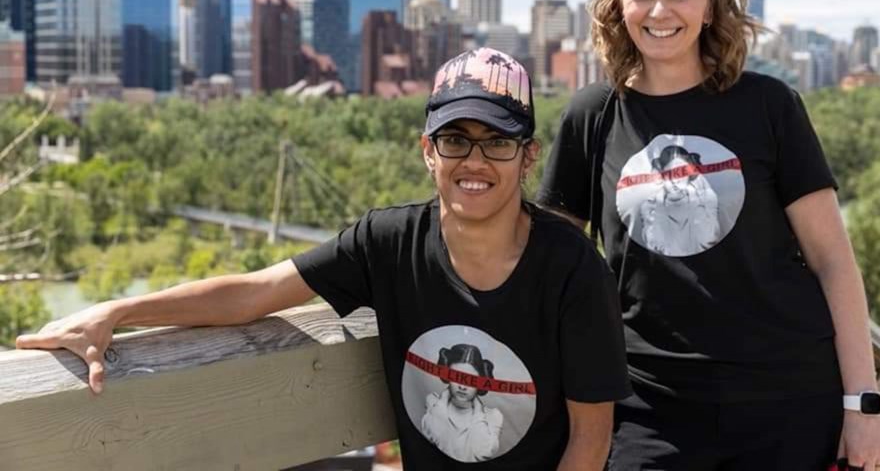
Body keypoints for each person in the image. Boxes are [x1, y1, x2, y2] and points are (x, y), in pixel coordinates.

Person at [18, 47, 630, 470]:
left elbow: (590, 439)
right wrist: (118, 311)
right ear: (427, 151)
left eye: (497, 141)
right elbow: (254, 293)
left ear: (529, 157)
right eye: (455, 140)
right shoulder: (388, 243)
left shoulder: (572, 271)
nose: (475, 161)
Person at [538, 0, 880, 470]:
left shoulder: (769, 106)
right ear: (618, 4)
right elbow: (551, 273)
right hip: (647, 409)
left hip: (786, 404)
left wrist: (862, 406)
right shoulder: (593, 116)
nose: (660, 12)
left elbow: (833, 264)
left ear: (710, 4)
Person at [420, 343, 503, 462]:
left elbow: (482, 453)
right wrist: (444, 398)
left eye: (471, 380)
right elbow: (433, 435)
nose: (462, 387)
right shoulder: (434, 402)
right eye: (456, 377)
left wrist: (478, 411)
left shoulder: (493, 416)